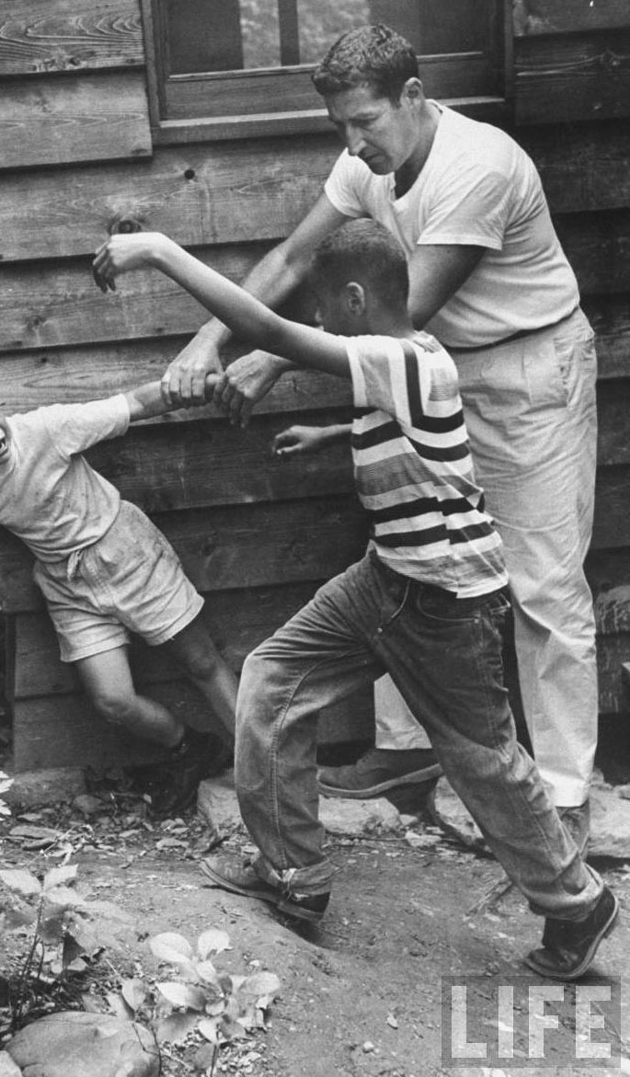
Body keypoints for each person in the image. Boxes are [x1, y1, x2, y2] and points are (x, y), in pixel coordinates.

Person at [92, 219, 617, 980]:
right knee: (272, 681)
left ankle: (576, 901)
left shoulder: (403, 357)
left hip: (447, 602)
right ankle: (295, 877)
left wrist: (161, 251)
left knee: (485, 763)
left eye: (326, 310)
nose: (319, 323)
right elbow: (411, 431)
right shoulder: (405, 367)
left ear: (356, 297)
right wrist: (333, 434)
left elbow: (266, 327)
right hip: (386, 579)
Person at [160, 23, 598, 850]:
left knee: (542, 581)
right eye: (340, 128)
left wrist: (269, 362)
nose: (355, 144)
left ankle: (566, 789)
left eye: (366, 122)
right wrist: (206, 344)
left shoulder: (480, 166)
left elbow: (409, 314)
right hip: (431, 376)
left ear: (413, 97)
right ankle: (406, 754)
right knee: (410, 564)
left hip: (524, 370)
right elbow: (293, 259)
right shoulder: (367, 160)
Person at [0, 362, 237, 818]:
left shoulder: (48, 429)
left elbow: (137, 403)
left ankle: (263, 765)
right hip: (66, 584)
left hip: (125, 552)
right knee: (112, 700)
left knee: (202, 662)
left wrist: (202, 385)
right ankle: (190, 747)